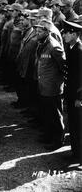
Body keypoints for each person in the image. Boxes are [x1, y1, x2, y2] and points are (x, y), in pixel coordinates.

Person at [34, 19, 66, 151]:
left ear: (47, 32)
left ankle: (58, 140)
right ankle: (48, 135)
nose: (37, 33)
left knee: (55, 114)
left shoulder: (54, 46)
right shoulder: (42, 44)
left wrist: (58, 83)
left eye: (40, 31)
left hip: (52, 87)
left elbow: (63, 67)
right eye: (37, 30)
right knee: (47, 112)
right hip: (44, 85)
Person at [62, 20, 82, 171]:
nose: (63, 35)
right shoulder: (70, 47)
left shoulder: (79, 50)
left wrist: (79, 98)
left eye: (66, 33)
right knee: (73, 125)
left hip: (77, 96)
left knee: (79, 126)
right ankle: (75, 153)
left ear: (74, 34)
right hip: (70, 92)